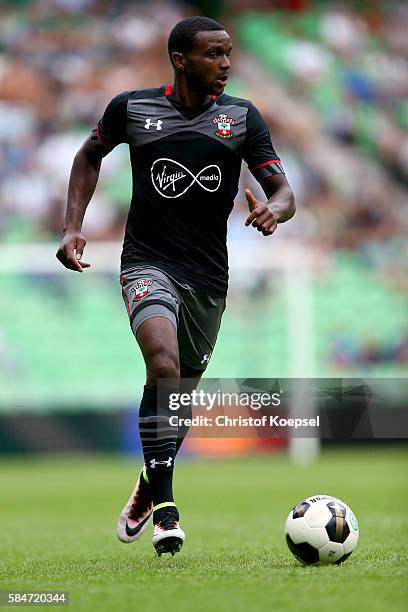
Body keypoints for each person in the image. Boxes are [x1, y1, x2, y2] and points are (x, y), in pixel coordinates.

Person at [56, 15, 295, 556]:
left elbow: (284, 190)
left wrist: (274, 212)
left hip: (209, 278)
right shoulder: (132, 108)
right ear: (181, 59)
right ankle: (166, 511)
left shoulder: (242, 118)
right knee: (162, 365)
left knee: (178, 395)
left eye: (230, 54)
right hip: (146, 263)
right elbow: (89, 155)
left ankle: (147, 484)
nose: (227, 64)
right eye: (215, 54)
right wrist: (73, 226)